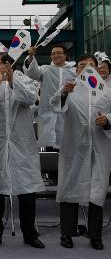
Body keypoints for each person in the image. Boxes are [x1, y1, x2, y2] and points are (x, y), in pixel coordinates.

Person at [0, 54, 45, 249]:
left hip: (21, 144)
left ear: (8, 64)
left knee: (27, 191)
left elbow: (30, 98)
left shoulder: (24, 79)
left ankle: (30, 234)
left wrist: (11, 80)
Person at [50, 54, 111, 250]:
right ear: (76, 70)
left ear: (97, 69)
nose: (86, 69)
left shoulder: (107, 91)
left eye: (90, 65)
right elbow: (55, 106)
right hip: (74, 148)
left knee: (97, 191)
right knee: (70, 189)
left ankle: (95, 236)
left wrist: (107, 121)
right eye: (82, 66)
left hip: (99, 148)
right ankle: (67, 233)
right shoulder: (70, 88)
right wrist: (64, 94)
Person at [23, 44, 76, 151]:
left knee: (68, 144)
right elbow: (32, 72)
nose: (56, 55)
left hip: (68, 112)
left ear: (65, 55)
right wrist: (31, 57)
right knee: (50, 144)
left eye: (59, 53)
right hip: (48, 113)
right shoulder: (45, 70)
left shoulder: (74, 71)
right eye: (53, 54)